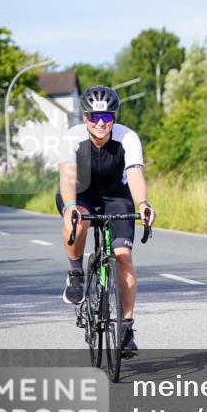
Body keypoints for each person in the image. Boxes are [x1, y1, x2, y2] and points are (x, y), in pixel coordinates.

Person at [57, 86, 156, 357]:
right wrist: (68, 208)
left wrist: (144, 204)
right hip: (80, 192)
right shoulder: (73, 138)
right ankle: (76, 272)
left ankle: (125, 328)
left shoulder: (128, 137)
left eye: (107, 117)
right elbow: (67, 177)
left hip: (115, 195)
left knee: (123, 256)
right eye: (94, 117)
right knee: (80, 222)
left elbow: (134, 175)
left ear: (114, 117)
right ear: (85, 117)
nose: (101, 123)